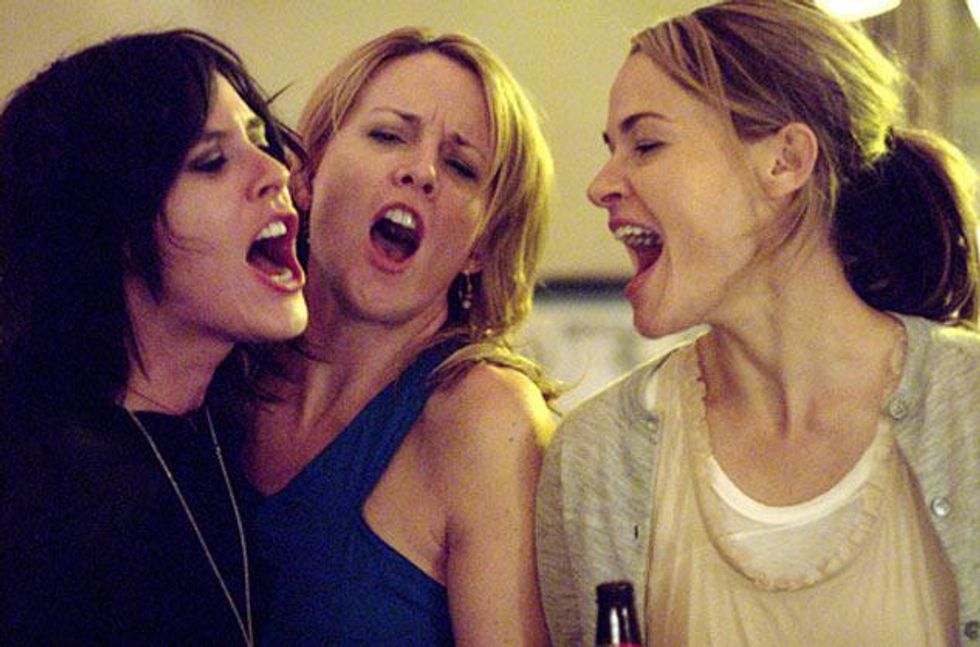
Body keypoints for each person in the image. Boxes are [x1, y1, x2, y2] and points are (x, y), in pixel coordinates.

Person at [535, 1, 979, 645]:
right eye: (613, 149)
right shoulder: (594, 459)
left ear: (785, 160)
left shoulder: (969, 406)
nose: (601, 185)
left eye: (647, 144)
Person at [242, 26, 557, 646]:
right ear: (307, 175)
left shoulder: (485, 418)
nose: (421, 171)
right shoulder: (221, 373)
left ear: (481, 245)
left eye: (461, 166)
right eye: (389, 135)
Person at [0, 29, 308, 645]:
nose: (275, 171)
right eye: (211, 162)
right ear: (108, 225)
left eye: (258, 139)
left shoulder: (233, 428)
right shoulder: (38, 491)